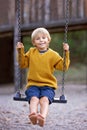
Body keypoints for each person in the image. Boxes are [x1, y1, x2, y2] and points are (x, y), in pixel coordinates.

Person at [16, 27, 70, 127]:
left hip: (48, 86)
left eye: (44, 37)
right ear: (34, 42)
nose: (41, 40)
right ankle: (33, 114)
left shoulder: (53, 55)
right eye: (38, 38)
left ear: (48, 40)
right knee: (34, 99)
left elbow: (64, 67)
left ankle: (42, 117)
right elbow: (22, 64)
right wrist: (20, 51)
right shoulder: (31, 52)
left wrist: (66, 52)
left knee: (44, 100)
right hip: (33, 85)